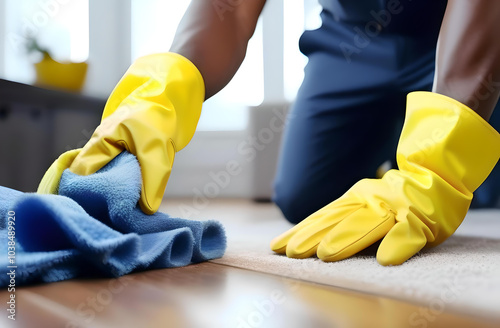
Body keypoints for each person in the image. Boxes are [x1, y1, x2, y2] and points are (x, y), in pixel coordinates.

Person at [38, 0, 500, 266]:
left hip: (457, 25)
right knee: (305, 199)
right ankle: (385, 162)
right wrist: (159, 95)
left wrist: (437, 164)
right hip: (354, 42)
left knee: (476, 182)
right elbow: (232, 11)